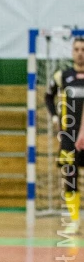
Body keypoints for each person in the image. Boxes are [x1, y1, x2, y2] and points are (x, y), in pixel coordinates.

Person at [45, 36, 84, 235]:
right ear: (72, 52)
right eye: (76, 49)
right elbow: (48, 96)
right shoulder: (63, 76)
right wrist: (54, 116)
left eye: (83, 50)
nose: (80, 53)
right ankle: (75, 221)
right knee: (70, 176)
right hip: (69, 136)